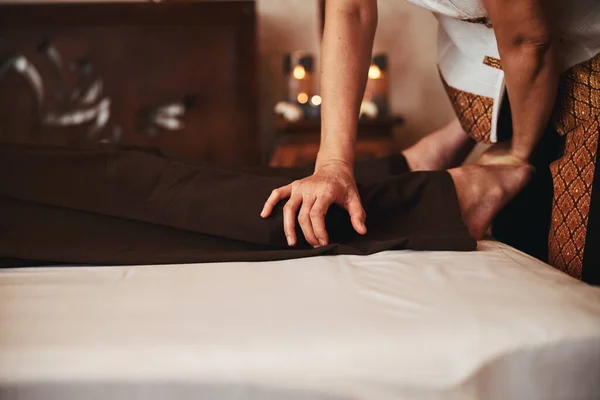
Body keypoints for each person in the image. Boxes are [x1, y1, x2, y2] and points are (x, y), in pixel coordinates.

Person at [262, 0, 600, 284]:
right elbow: (351, 10)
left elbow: (528, 39)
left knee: (564, 262)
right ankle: (446, 144)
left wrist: (517, 157)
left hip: (582, 63)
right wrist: (332, 164)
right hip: (496, 64)